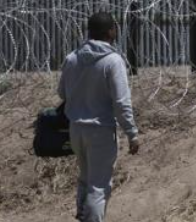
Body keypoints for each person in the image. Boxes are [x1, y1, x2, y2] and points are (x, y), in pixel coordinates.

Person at [58, 12, 140, 222]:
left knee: (85, 179)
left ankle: (82, 216)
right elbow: (121, 102)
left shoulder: (72, 58)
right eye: (115, 27)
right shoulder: (113, 61)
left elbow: (62, 93)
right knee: (99, 186)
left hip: (76, 130)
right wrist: (132, 133)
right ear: (110, 31)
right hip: (100, 131)